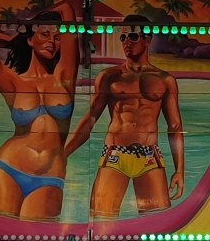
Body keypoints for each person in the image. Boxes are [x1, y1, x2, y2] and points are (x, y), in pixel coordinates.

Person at [63, 16, 185, 218]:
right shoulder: (110, 76)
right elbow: (90, 119)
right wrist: (64, 154)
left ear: (147, 40)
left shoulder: (165, 80)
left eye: (133, 36)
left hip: (149, 156)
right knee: (101, 220)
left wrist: (180, 171)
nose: (127, 42)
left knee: (156, 222)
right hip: (115, 154)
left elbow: (175, 126)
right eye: (123, 37)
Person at [0, 11, 80, 219]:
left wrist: (37, 33)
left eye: (57, 38)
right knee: (1, 236)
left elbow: (68, 10)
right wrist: (17, 40)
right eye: (44, 34)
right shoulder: (12, 82)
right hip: (7, 168)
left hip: (50, 176)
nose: (51, 41)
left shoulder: (64, 76)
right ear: (31, 39)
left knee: (36, 235)